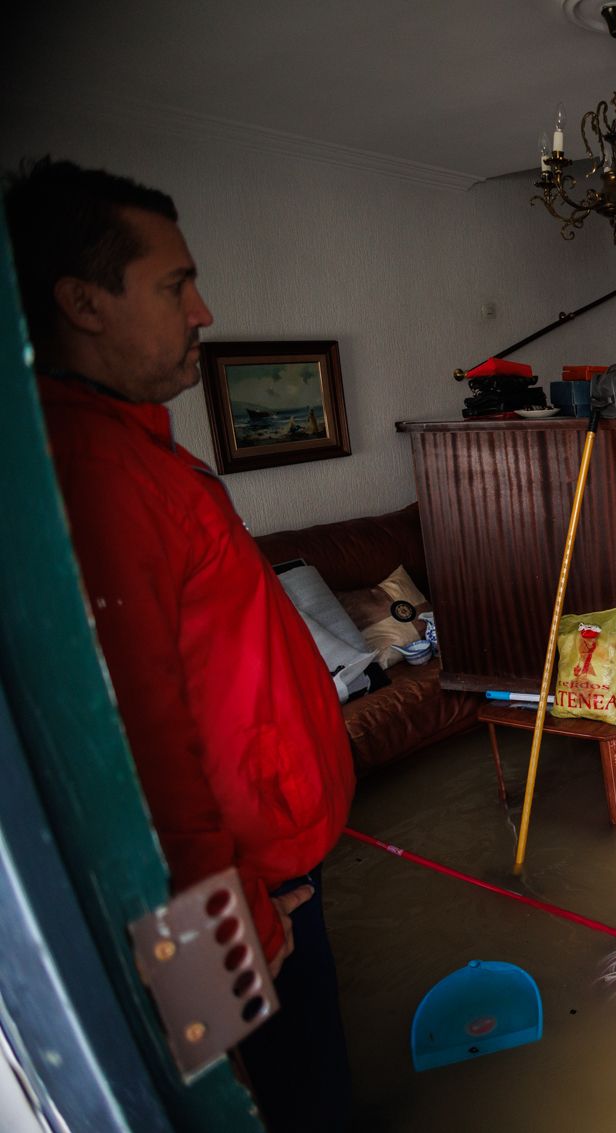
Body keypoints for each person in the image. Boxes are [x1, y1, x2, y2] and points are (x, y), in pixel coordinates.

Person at [4, 158, 357, 1130]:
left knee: (304, 1072)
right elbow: (140, 736)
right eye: (174, 284)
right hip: (229, 895)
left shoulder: (133, 447)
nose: (201, 309)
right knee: (270, 1096)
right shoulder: (91, 469)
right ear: (83, 302)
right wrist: (221, 911)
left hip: (264, 876)